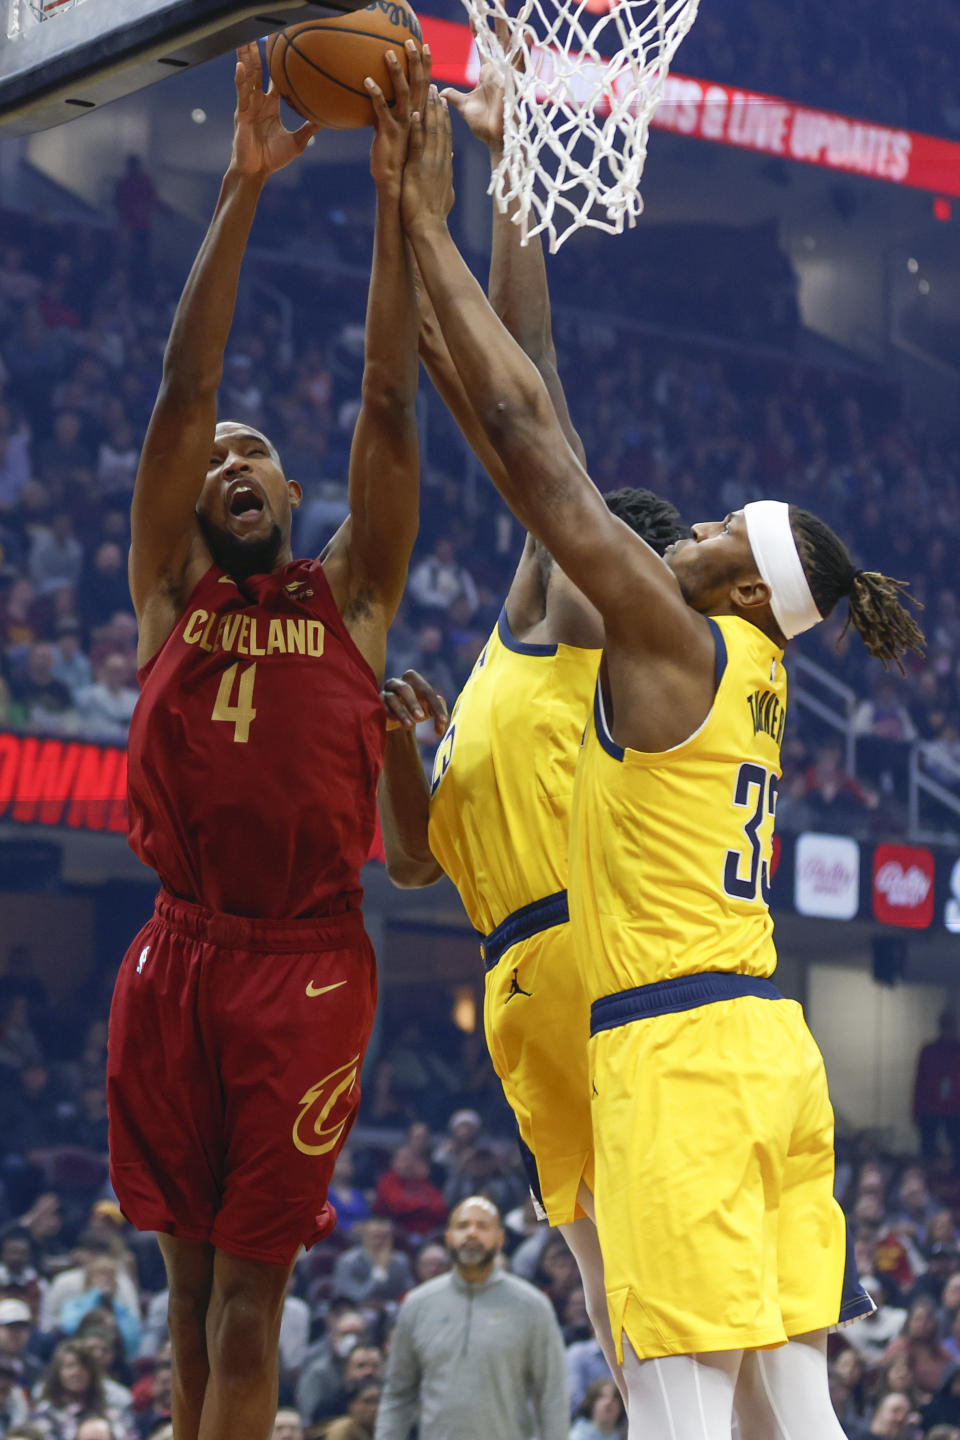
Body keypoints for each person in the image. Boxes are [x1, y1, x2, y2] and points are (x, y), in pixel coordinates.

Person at [398, 90, 924, 1440]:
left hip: (676, 1051)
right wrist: (516, 177)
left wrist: (422, 211)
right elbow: (542, 422)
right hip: (761, 1047)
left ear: (741, 585)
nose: (682, 530)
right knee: (791, 1411)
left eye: (709, 533)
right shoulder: (752, 670)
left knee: (676, 1405)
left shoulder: (674, 644)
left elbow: (532, 433)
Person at [105, 41, 428, 1440]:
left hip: (301, 973)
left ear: (292, 493)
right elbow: (183, 391)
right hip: (176, 953)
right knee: (181, 1305)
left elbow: (392, 403)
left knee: (250, 1308)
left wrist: (391, 200)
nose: (228, 462)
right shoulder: (166, 592)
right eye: (215, 460)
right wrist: (240, 187)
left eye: (254, 457)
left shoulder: (353, 598)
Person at [377, 57, 685, 1404]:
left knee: (660, 1277)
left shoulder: (585, 637)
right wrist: (405, 755)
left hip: (594, 951)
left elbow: (529, 396)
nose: (572, 540)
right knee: (609, 1295)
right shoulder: (501, 672)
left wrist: (513, 187)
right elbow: (405, 863)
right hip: (513, 987)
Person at [374, 1196, 568, 1440]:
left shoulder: (533, 1305)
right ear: (448, 1238)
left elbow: (553, 1395)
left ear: (500, 1239)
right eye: (463, 1226)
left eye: (482, 1226)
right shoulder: (417, 1304)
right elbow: (398, 1394)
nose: (472, 1233)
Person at [913, 1013, 960, 1170]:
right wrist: (917, 1110)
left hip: (954, 1108)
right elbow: (920, 1082)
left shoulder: (956, 1051)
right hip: (930, 1107)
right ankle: (928, 1179)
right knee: (928, 1149)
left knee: (956, 1147)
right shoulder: (929, 1051)